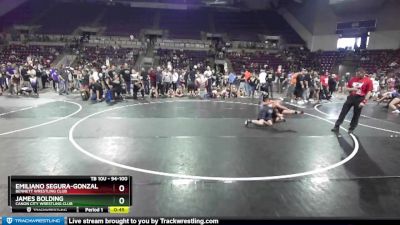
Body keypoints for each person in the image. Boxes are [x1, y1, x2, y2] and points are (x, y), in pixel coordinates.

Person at [331, 68, 373, 134]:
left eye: (359, 74)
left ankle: (352, 128)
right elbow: (346, 89)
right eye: (356, 73)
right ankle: (337, 126)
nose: (357, 75)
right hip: (351, 97)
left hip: (360, 99)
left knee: (356, 114)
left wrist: (364, 101)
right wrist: (352, 89)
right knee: (343, 112)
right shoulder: (353, 79)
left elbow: (369, 92)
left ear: (363, 73)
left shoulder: (368, 81)